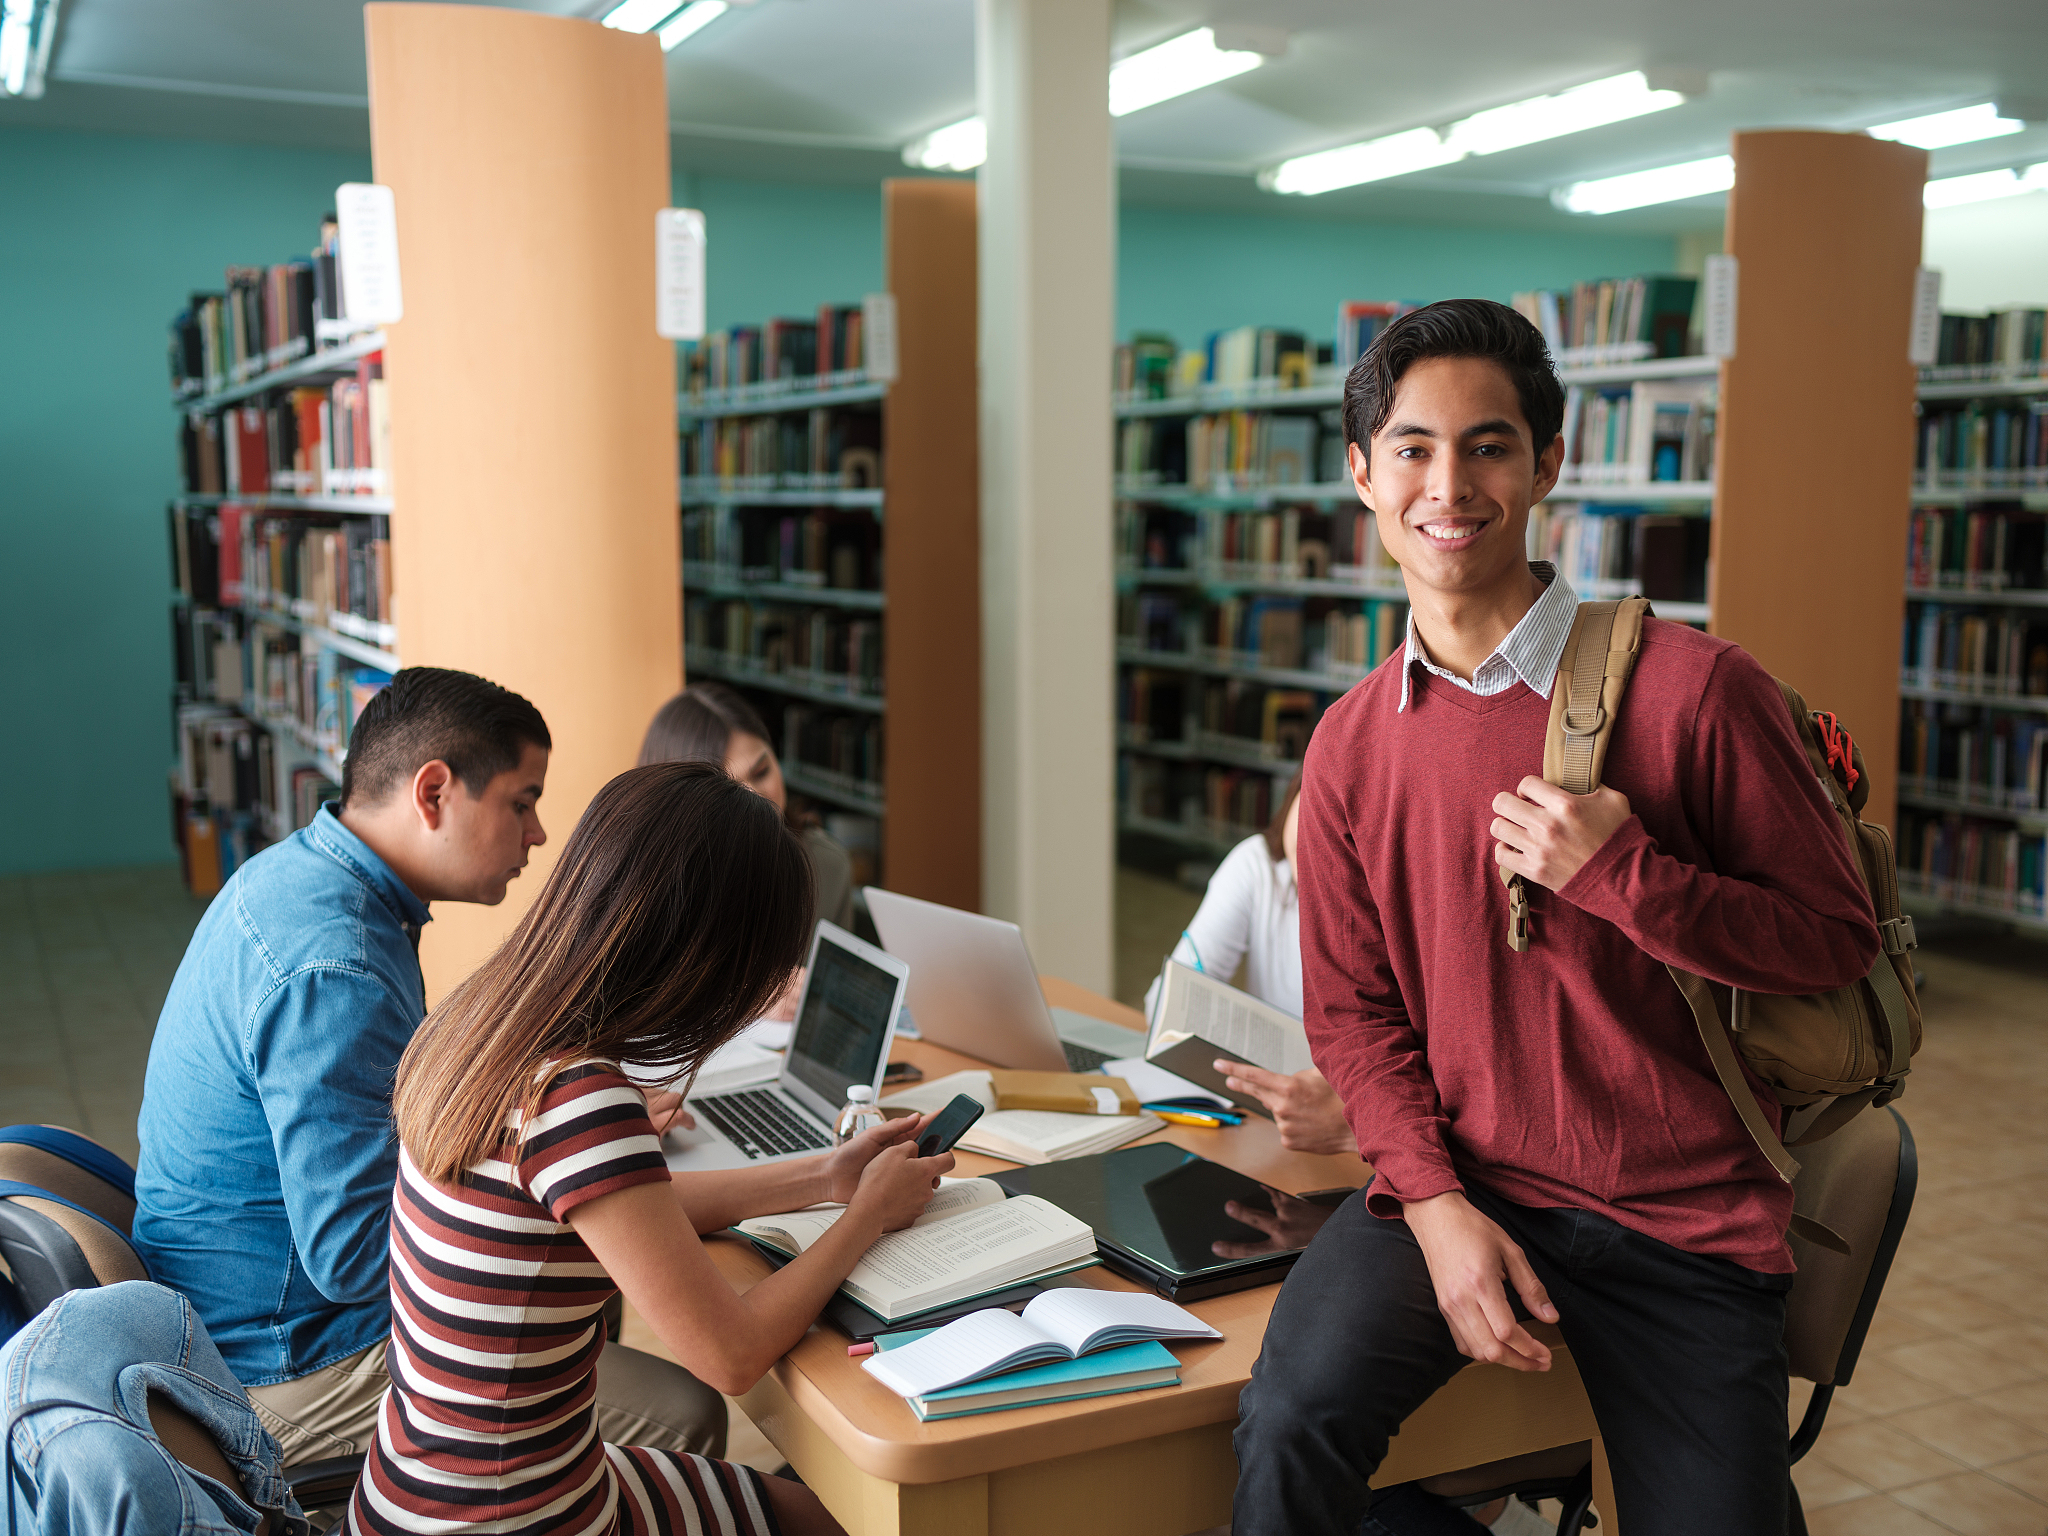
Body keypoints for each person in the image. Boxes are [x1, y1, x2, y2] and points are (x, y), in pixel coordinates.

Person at [1231, 300, 1880, 1536]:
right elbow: (1354, 1018)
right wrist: (1432, 1209)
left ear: (1547, 464)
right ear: (1363, 475)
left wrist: (1627, 879)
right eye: (1412, 448)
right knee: (1284, 1432)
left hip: (1680, 1218)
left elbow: (1832, 939)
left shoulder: (1694, 692)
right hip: (1462, 1185)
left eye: (1486, 445)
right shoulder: (1351, 747)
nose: (1448, 485)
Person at [133, 668, 726, 1469]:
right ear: (435, 792)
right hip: (290, 1360)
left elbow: (395, 1131)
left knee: (594, 1311)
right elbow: (350, 1257)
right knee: (685, 1414)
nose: (540, 833)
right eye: (522, 801)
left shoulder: (303, 880)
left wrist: (542, 1136)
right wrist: (565, 1191)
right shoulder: (335, 968)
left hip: (235, 1315)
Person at [351, 761, 953, 1536]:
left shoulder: (481, 1024)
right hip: (515, 1516)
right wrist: (866, 1217)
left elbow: (619, 1215)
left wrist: (825, 1177)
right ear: (707, 957)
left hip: (417, 1491)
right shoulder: (578, 1097)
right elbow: (732, 1357)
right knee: (847, 1523)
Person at [1143, 775, 1357, 1156]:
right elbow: (1165, 1003)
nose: (1317, 838)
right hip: (1270, 1122)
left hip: (1355, 1133)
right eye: (1311, 808)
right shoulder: (1258, 864)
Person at [640, 681, 856, 930]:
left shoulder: (827, 866)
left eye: (762, 772)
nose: (756, 796)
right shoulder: (659, 893)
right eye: (728, 787)